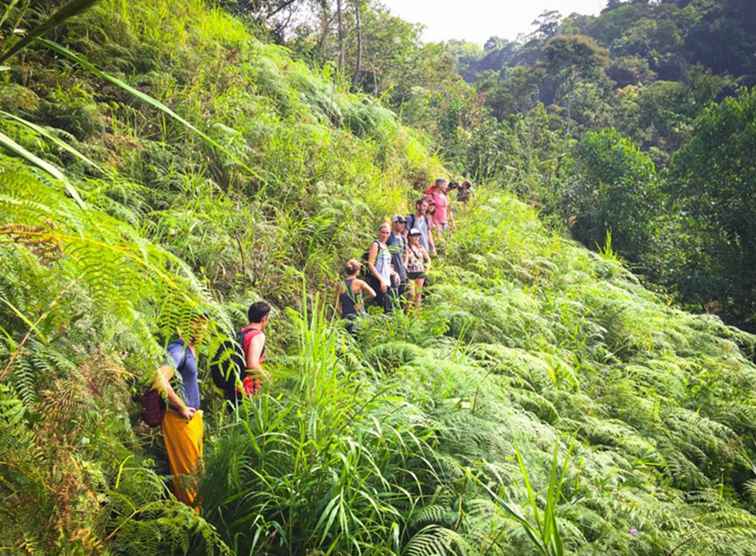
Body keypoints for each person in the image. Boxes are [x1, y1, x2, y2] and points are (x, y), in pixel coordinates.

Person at [152, 313, 209, 508]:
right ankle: (191, 524)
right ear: (184, 324)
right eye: (197, 324)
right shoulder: (178, 349)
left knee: (196, 473)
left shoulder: (191, 349)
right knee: (188, 475)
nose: (201, 329)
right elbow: (159, 380)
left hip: (192, 420)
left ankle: (194, 517)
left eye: (204, 325)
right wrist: (182, 407)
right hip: (179, 419)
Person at [239, 301, 272, 397]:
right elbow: (252, 365)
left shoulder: (241, 333)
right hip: (247, 389)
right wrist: (267, 379)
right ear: (264, 318)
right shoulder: (257, 336)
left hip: (235, 385)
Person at [335, 259, 376, 332]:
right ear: (357, 271)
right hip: (358, 314)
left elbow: (337, 305)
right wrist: (362, 300)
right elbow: (373, 294)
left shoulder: (340, 285)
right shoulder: (360, 283)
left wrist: (341, 314)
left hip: (345, 316)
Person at [366, 222, 399, 313]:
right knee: (384, 308)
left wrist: (394, 273)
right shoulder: (376, 245)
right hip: (377, 280)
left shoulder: (386, 247)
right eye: (383, 232)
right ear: (379, 232)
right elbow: (370, 264)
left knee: (388, 308)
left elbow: (387, 266)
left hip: (386, 281)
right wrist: (381, 280)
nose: (385, 235)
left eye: (387, 233)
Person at [406, 228, 431, 310]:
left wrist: (426, 270)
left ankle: (417, 314)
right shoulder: (406, 247)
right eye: (414, 236)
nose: (416, 237)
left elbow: (428, 259)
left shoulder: (421, 247)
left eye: (417, 235)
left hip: (420, 272)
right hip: (410, 273)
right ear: (409, 237)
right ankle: (407, 313)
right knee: (411, 294)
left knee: (418, 294)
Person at [387, 215, 409, 301]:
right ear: (394, 223)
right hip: (393, 270)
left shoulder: (403, 238)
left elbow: (406, 251)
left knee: (402, 296)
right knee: (392, 296)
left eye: (404, 223)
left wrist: (405, 263)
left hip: (402, 271)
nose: (403, 225)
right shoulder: (389, 236)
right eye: (400, 223)